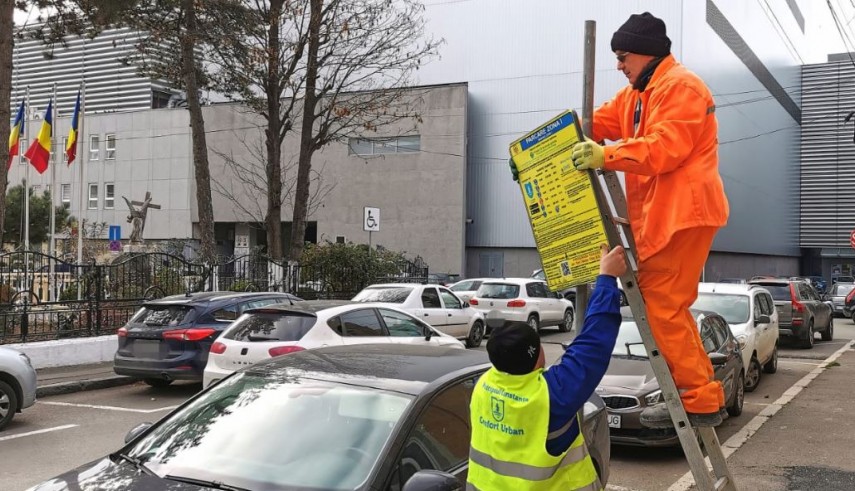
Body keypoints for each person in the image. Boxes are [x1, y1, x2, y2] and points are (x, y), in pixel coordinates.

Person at [568, 12, 729, 427]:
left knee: (664, 309)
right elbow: (592, 123)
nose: (619, 66)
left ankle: (700, 400)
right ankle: (697, 395)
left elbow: (663, 149)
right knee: (666, 309)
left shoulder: (682, 88)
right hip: (663, 218)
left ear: (646, 53)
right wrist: (544, 148)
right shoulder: (637, 94)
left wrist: (606, 155)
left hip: (684, 214)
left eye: (623, 57)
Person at [467, 244, 625, 491]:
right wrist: (606, 279)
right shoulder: (551, 398)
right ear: (537, 358)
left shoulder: (483, 386)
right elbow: (593, 344)